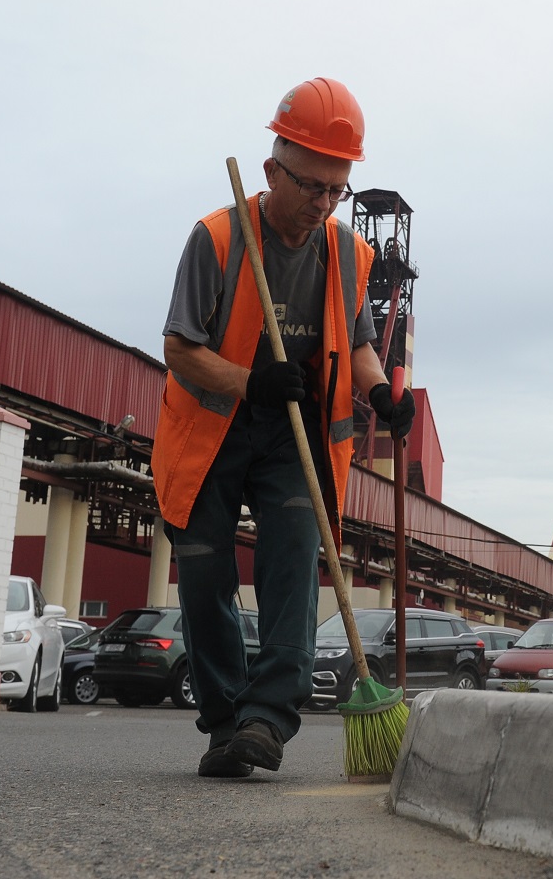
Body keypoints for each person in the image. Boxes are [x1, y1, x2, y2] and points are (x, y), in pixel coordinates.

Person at [152, 78, 415, 778]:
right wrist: (249, 382)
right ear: (273, 171)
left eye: (338, 190)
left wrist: (381, 394)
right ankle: (224, 722)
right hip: (212, 429)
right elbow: (179, 348)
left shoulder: (349, 254)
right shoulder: (215, 239)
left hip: (292, 435)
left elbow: (358, 345)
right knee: (205, 575)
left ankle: (267, 720)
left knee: (294, 559)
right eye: (312, 187)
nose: (323, 203)